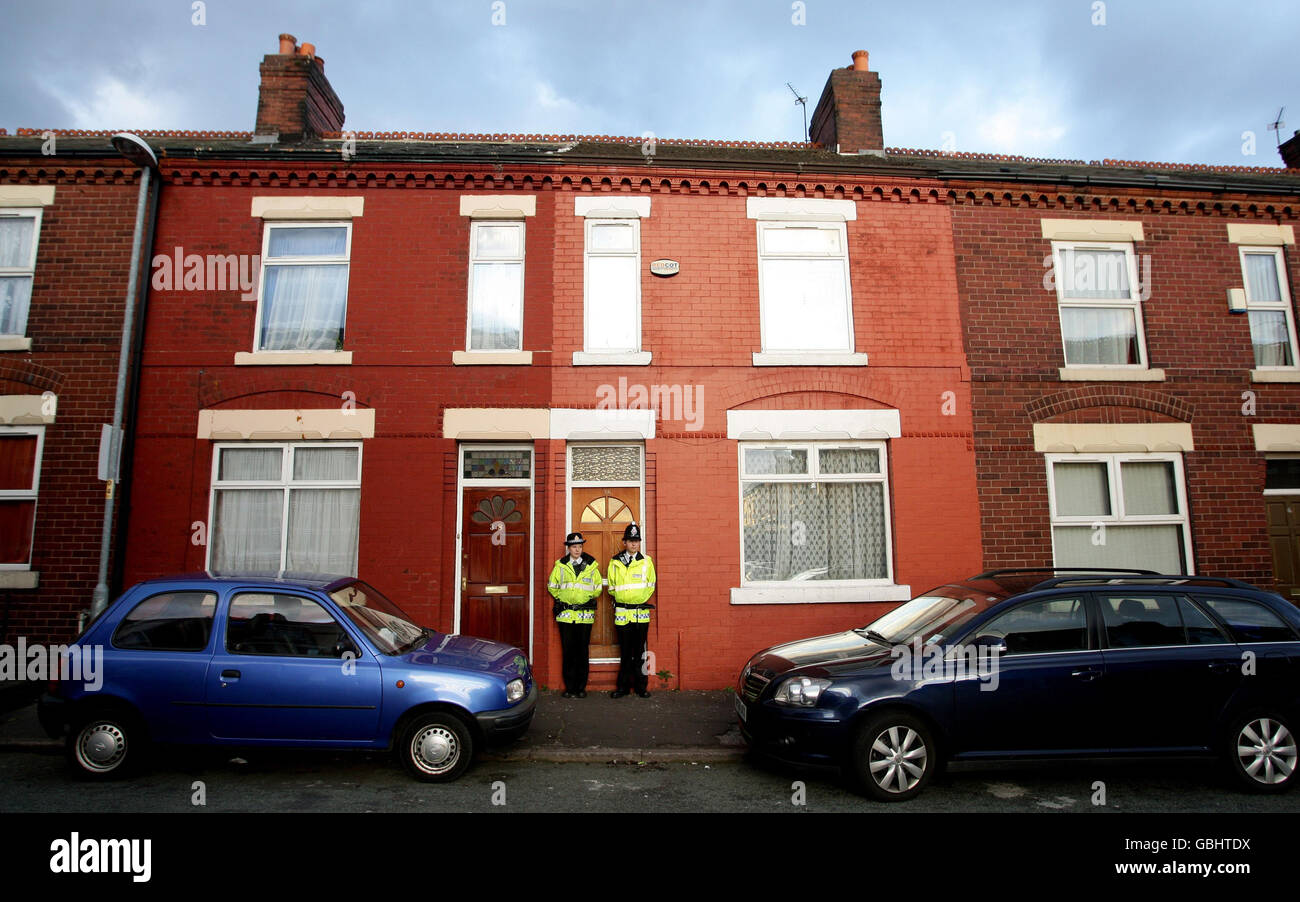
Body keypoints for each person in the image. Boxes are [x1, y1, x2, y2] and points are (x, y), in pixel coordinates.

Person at [547, 532, 601, 698]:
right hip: (566, 616)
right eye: (574, 547)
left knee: (582, 652)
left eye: (579, 546)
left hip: (585, 615)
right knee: (568, 651)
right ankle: (570, 687)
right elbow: (552, 586)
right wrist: (563, 599)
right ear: (568, 548)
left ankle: (581, 687)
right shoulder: (560, 566)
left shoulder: (591, 566)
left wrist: (584, 598)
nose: (577, 550)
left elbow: (597, 588)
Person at [607, 522, 656, 698]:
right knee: (625, 653)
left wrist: (638, 598)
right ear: (625, 542)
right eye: (630, 540)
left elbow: (651, 586)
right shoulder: (615, 562)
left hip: (640, 614)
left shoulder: (647, 562)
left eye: (637, 540)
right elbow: (611, 587)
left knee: (640, 653)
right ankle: (623, 688)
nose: (634, 544)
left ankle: (641, 687)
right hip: (622, 613)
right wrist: (625, 599)